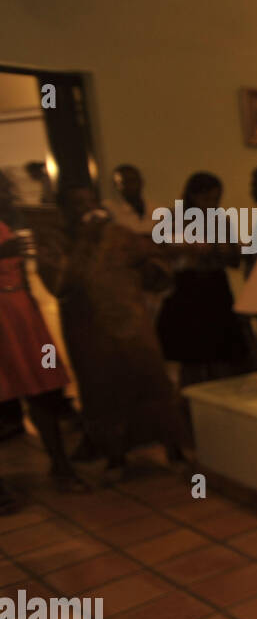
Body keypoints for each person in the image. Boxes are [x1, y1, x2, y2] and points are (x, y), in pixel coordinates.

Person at [49, 185, 189, 478]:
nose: (86, 210)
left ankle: (173, 449)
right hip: (89, 332)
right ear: (64, 210)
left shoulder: (118, 234)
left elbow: (155, 262)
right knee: (103, 392)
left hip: (133, 325)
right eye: (78, 204)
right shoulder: (55, 241)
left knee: (154, 385)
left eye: (91, 202)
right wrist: (84, 244)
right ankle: (115, 457)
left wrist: (155, 269)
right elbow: (60, 285)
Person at [0, 172, 86, 491]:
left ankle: (61, 465)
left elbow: (22, 272)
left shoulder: (6, 224)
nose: (8, 195)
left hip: (23, 317)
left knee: (44, 388)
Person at [155, 172, 248, 386]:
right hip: (187, 286)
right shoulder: (172, 218)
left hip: (214, 284)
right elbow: (159, 251)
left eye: (215, 199)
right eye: (207, 199)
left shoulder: (221, 220)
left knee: (222, 348)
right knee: (190, 350)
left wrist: (227, 249)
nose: (211, 204)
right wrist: (184, 248)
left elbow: (235, 258)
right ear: (193, 196)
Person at [104, 164, 159, 236]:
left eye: (133, 180)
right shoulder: (109, 209)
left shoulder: (156, 209)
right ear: (116, 186)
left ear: (141, 182)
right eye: (124, 182)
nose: (130, 186)